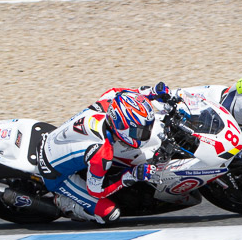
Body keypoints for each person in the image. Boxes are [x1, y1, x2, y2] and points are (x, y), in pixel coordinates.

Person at [38, 89, 162, 224]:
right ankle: (65, 202)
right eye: (138, 131)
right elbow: (96, 191)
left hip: (52, 138)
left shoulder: (106, 105)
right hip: (54, 174)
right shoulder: (102, 153)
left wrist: (149, 92)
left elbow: (117, 92)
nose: (144, 134)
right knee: (110, 214)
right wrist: (131, 175)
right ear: (121, 126)